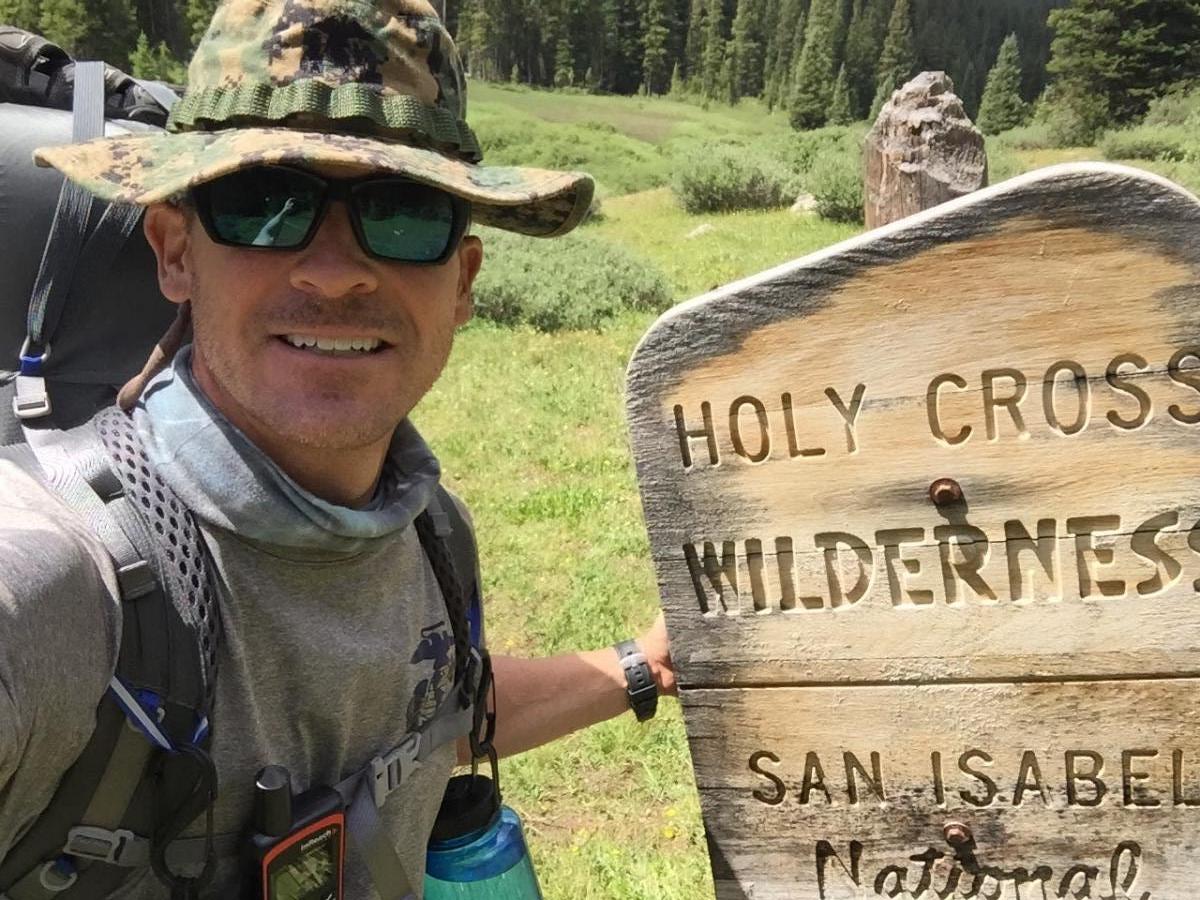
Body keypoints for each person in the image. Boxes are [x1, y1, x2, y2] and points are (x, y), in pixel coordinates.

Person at [0, 0, 677, 896]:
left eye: (401, 214)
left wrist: (642, 666)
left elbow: (428, 704)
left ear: (462, 282)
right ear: (173, 253)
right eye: (263, 205)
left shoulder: (429, 532)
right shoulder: (59, 589)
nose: (333, 270)